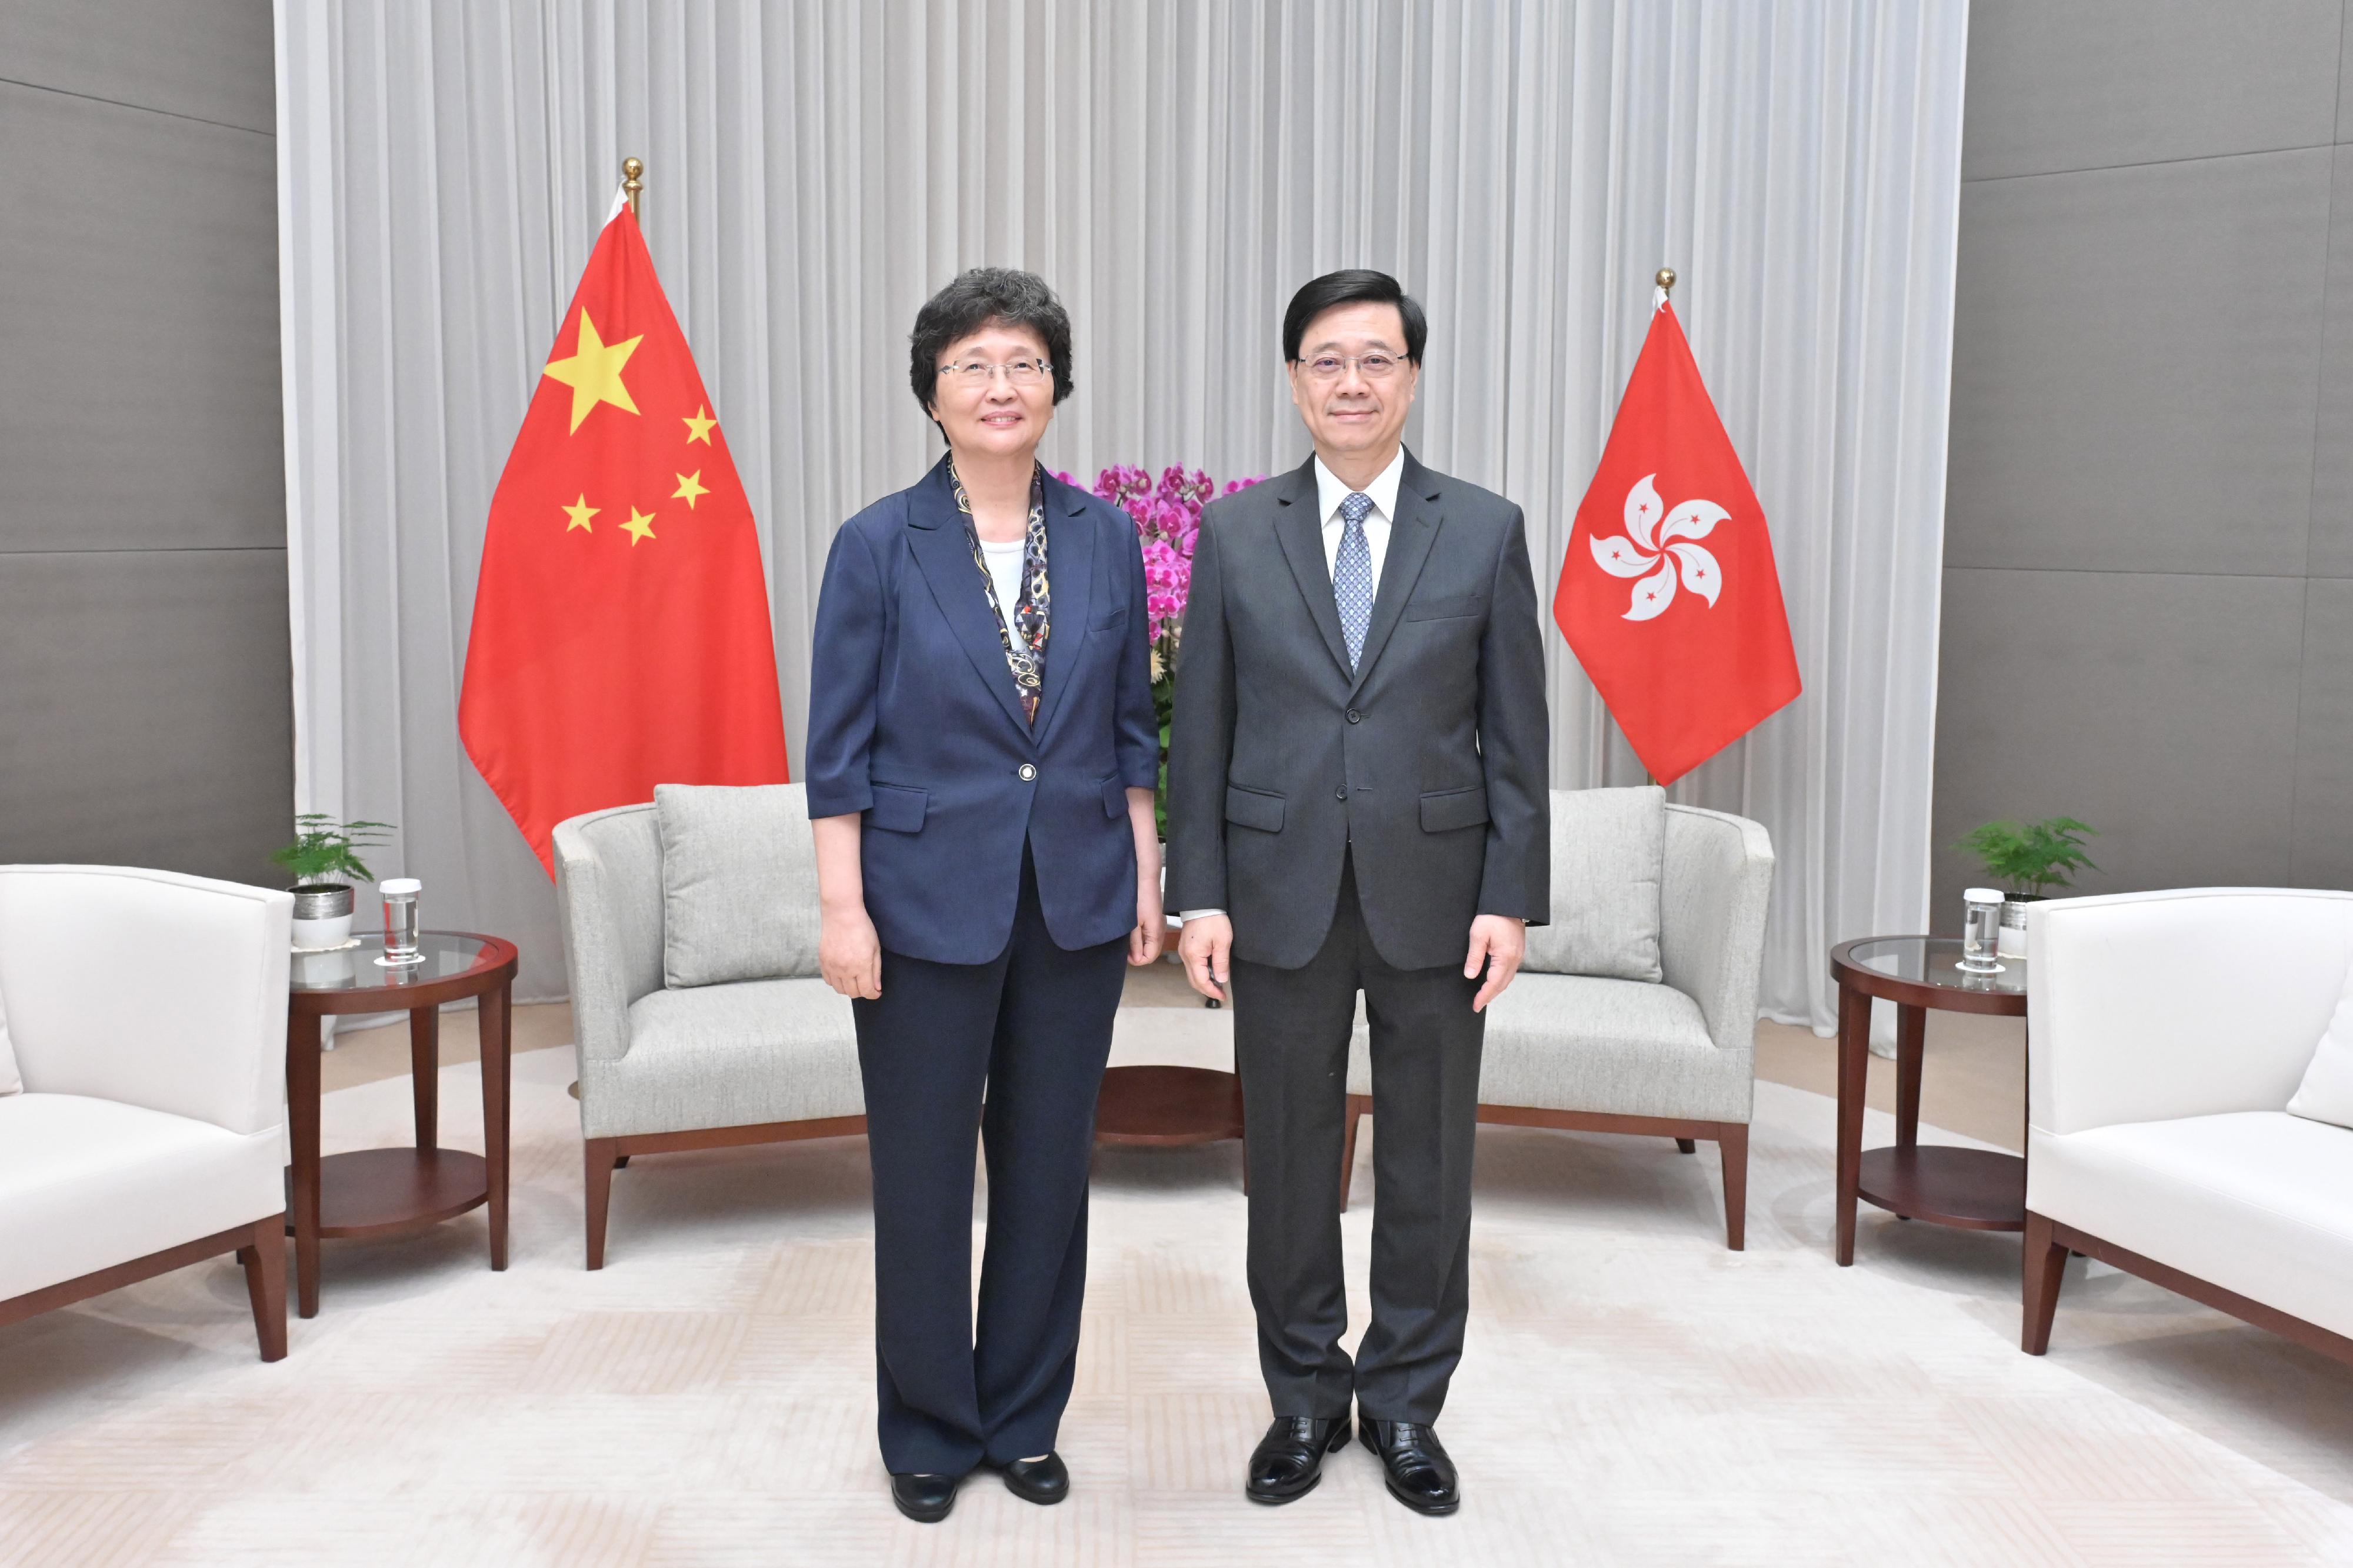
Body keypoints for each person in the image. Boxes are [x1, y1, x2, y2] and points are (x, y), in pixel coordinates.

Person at [1165, 269, 1551, 1515]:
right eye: (1325, 361)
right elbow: (1201, 735)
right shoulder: (1232, 533)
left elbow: (1516, 738)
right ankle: (1301, 1396)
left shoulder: (1484, 529)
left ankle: (1401, 1404)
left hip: (1438, 898)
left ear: (1412, 377)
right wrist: (1198, 895)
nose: (1350, 382)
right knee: (1283, 1161)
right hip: (1275, 892)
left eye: (1374, 359)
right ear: (1291, 382)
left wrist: (1509, 897)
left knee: (1428, 1162)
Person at [804, 268, 1164, 1524]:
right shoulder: (874, 543)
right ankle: (925, 1426)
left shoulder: (1106, 535)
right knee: (918, 1170)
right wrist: (842, 910)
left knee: (1047, 1166)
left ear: (1056, 385)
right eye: (972, 365)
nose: (999, 386)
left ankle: (1020, 1416)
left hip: (1071, 891)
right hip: (914, 900)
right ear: (932, 393)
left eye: (1021, 363)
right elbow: (834, 753)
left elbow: (1128, 732)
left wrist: (1145, 872)